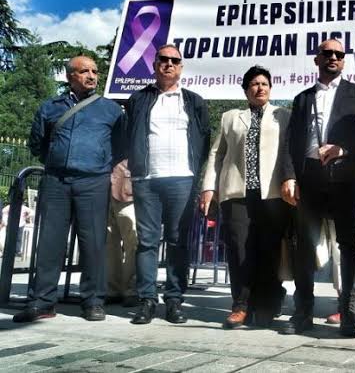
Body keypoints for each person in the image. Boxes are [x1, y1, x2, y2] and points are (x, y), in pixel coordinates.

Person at [13, 56, 124, 323]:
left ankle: (93, 302)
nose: (92, 76)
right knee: (49, 243)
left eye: (95, 71)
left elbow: (121, 146)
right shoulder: (50, 107)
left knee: (93, 244)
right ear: (69, 76)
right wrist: (57, 160)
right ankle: (42, 302)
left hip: (93, 183)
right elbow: (37, 143)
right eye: (84, 71)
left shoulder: (111, 110)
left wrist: (98, 163)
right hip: (56, 182)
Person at [279, 39, 355, 337]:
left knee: (349, 245)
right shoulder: (302, 98)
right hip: (310, 178)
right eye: (327, 53)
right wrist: (289, 176)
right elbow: (291, 142)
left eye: (339, 54)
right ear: (317, 59)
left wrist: (343, 148)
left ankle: (349, 312)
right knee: (304, 246)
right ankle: (303, 312)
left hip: (345, 176)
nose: (333, 57)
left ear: (343, 61)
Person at [199, 65, 291, 329]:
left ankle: (267, 305)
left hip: (272, 194)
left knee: (269, 250)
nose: (259, 88)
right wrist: (208, 187)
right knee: (239, 249)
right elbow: (217, 154)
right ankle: (240, 305)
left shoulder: (284, 116)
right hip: (237, 193)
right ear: (245, 90)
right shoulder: (230, 118)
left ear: (270, 88)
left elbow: (290, 153)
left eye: (264, 84)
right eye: (254, 84)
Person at [125, 44, 210, 325]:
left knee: (178, 242)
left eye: (175, 60)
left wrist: (196, 174)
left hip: (182, 180)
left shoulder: (194, 101)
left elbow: (204, 140)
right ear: (155, 64)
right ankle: (147, 301)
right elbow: (128, 134)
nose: (169, 64)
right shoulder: (138, 99)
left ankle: (174, 300)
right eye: (164, 59)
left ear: (181, 67)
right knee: (147, 242)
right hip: (146, 180)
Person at [106, 159, 139, 307]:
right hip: (102, 186)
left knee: (133, 241)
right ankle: (113, 290)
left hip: (127, 186)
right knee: (108, 243)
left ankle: (131, 290)